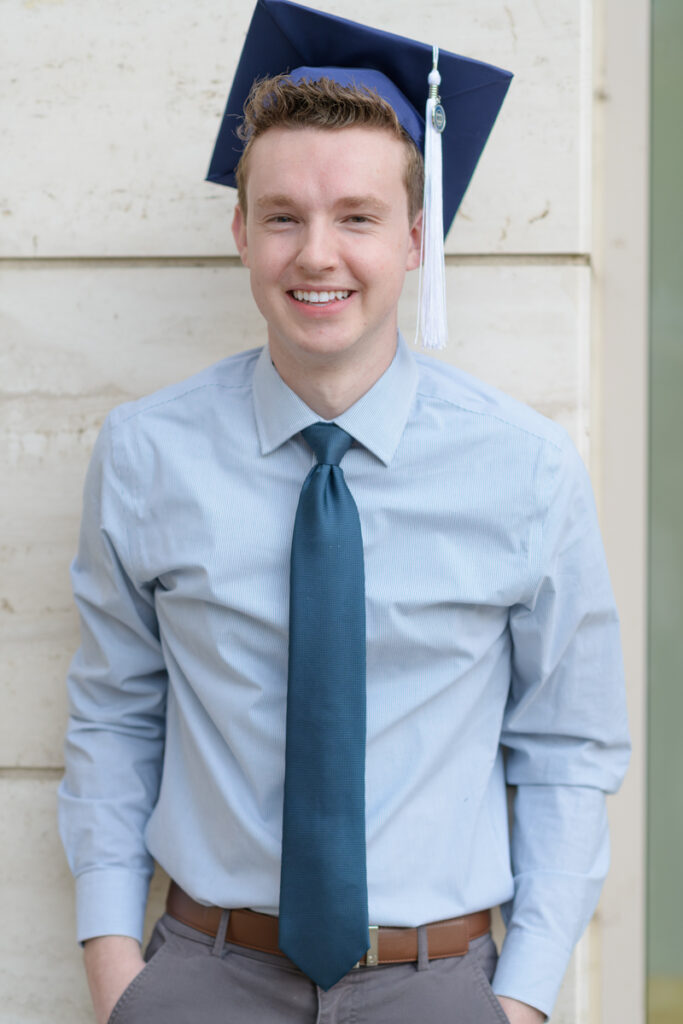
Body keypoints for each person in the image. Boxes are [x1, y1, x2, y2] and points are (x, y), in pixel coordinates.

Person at [58, 3, 630, 1023]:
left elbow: (566, 745)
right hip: (202, 976)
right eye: (282, 216)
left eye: (356, 217)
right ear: (240, 232)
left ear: (415, 238)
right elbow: (114, 709)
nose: (315, 254)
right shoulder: (148, 454)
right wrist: (116, 973)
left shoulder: (525, 468)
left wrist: (521, 999)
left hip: (439, 985)